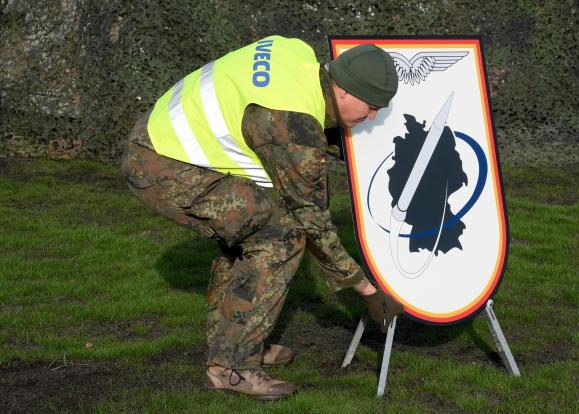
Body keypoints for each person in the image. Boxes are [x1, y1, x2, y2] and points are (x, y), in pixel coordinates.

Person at [121, 35, 403, 400]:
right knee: (280, 240)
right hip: (162, 164)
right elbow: (312, 220)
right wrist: (365, 289)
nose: (374, 117)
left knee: (254, 229)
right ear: (345, 91)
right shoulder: (294, 124)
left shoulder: (298, 53)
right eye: (371, 107)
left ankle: (236, 346)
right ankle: (233, 367)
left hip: (161, 137)